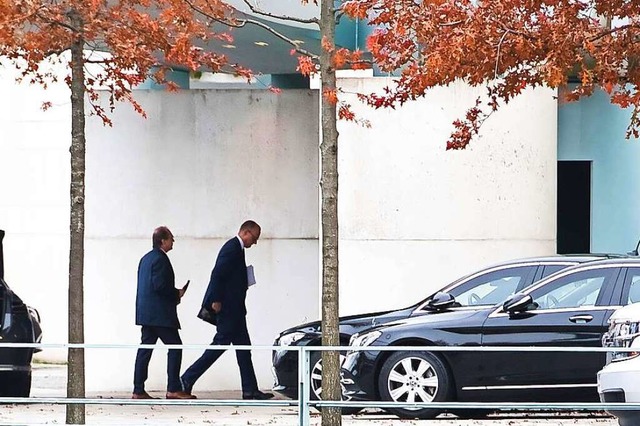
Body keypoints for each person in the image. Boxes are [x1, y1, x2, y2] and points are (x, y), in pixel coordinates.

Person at [180, 220, 274, 400]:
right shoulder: (231, 248)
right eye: (254, 238)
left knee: (244, 349)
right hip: (229, 310)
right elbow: (218, 274)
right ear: (246, 232)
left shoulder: (238, 249)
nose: (254, 243)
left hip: (236, 310)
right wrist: (215, 299)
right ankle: (186, 379)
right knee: (218, 346)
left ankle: (250, 390)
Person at [132, 226, 195, 400]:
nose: (173, 241)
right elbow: (159, 285)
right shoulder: (161, 259)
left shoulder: (145, 259)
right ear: (163, 240)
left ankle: (138, 389)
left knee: (145, 349)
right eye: (171, 238)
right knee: (175, 347)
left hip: (146, 314)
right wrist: (177, 293)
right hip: (160, 315)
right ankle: (173, 388)